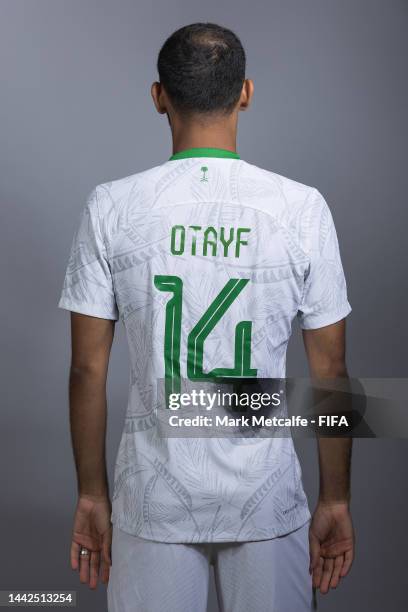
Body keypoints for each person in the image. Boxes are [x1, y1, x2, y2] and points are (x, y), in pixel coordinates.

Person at [58, 22, 354, 612]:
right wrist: (336, 500)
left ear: (159, 96)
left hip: (153, 501)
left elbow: (88, 371)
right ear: (245, 92)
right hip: (268, 499)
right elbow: (332, 372)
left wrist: (92, 494)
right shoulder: (301, 209)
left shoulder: (111, 207)